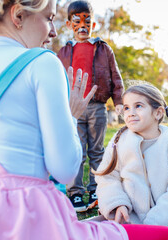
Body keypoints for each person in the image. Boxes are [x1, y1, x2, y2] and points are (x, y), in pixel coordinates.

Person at [0, 0, 168, 239]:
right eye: (49, 18)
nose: (53, 31)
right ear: (19, 15)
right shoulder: (42, 62)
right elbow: (64, 170)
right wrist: (71, 115)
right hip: (30, 213)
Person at [95, 83, 168, 240]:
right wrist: (118, 203)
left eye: (138, 106)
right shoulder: (119, 140)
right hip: (133, 217)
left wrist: (152, 224)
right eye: (126, 108)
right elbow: (107, 177)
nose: (130, 113)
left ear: (158, 113)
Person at [57, 0, 124, 212]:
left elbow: (115, 76)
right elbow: (57, 79)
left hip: (97, 106)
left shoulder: (103, 49)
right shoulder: (64, 52)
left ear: (93, 24)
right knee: (77, 150)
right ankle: (75, 193)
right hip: (73, 108)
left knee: (97, 150)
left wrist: (119, 101)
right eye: (77, 21)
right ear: (69, 24)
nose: (82, 26)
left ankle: (97, 188)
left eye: (87, 21)